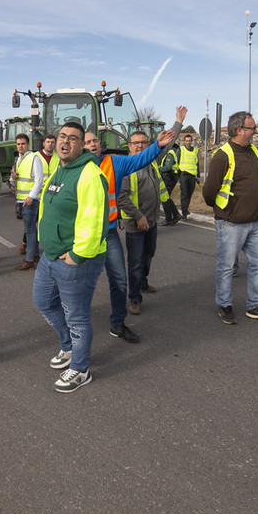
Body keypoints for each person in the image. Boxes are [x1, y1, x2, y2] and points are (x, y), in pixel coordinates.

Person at [85, 107, 184, 344]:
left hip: (109, 234)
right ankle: (76, 328)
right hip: (85, 236)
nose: (92, 144)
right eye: (87, 142)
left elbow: (147, 155)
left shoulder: (115, 163)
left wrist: (164, 138)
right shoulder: (73, 169)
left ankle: (118, 323)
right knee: (82, 284)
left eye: (95, 141)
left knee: (120, 278)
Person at [31, 122, 109, 393]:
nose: (65, 142)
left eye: (73, 139)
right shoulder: (59, 170)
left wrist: (77, 255)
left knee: (76, 316)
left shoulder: (90, 174)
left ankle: (80, 368)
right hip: (50, 256)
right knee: (42, 300)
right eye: (62, 136)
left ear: (83, 144)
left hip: (77, 260)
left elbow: (95, 221)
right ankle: (68, 347)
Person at [202, 111, 258, 325]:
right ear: (239, 130)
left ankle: (255, 304)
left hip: (254, 222)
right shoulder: (223, 155)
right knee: (226, 266)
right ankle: (224, 305)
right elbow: (209, 191)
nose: (254, 131)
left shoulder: (253, 150)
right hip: (231, 223)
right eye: (251, 128)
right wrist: (223, 210)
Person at [117, 130, 172, 315]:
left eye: (143, 142)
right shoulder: (126, 167)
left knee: (148, 255)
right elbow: (121, 197)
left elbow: (168, 143)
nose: (140, 145)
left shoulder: (151, 163)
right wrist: (138, 217)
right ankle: (134, 298)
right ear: (129, 146)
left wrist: (179, 122)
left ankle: (143, 282)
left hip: (152, 220)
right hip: (135, 223)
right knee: (135, 262)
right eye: (136, 143)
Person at [13, 133, 49, 271]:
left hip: (30, 201)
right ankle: (34, 256)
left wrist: (31, 196)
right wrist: (13, 176)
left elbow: (39, 179)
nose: (20, 146)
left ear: (28, 145)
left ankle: (29, 261)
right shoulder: (19, 159)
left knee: (29, 231)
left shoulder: (34, 158)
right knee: (31, 229)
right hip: (22, 200)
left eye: (23, 143)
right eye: (18, 144)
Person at [19, 135, 57, 257]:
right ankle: (27, 246)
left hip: (52, 195)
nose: (50, 144)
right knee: (32, 224)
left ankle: (42, 250)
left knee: (47, 223)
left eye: (52, 142)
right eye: (48, 142)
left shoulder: (58, 158)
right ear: (43, 144)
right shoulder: (36, 157)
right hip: (37, 195)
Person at [177, 133, 200, 219]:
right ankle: (184, 212)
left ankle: (186, 208)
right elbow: (177, 161)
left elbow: (197, 164)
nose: (188, 142)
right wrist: (177, 174)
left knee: (190, 194)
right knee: (184, 194)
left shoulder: (195, 151)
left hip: (192, 176)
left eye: (190, 141)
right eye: (187, 141)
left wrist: (198, 175)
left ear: (192, 141)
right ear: (184, 141)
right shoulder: (181, 149)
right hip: (183, 175)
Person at [158, 146, 181, 225]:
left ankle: (168, 219)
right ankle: (176, 215)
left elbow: (168, 167)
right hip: (171, 177)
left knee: (165, 198)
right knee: (166, 197)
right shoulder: (171, 154)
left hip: (169, 177)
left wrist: (158, 169)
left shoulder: (170, 154)